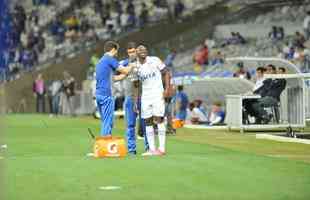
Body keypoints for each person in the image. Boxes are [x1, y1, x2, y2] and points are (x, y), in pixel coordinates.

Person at [136, 45, 171, 156]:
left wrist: (167, 89)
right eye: (140, 50)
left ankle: (161, 149)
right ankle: (151, 149)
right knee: (147, 121)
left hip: (157, 94)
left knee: (158, 119)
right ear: (137, 53)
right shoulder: (135, 66)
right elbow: (136, 84)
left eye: (145, 50)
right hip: (145, 97)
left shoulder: (154, 60)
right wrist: (136, 100)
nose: (143, 51)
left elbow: (166, 72)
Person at [95, 41, 133, 136]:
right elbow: (125, 70)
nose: (117, 53)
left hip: (99, 94)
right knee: (108, 122)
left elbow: (114, 78)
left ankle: (103, 145)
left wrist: (125, 73)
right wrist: (132, 64)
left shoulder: (100, 61)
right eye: (117, 51)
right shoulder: (109, 59)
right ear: (113, 49)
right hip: (107, 94)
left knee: (105, 122)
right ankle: (106, 145)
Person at [119, 42, 147, 155]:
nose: (131, 54)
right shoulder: (124, 63)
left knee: (146, 124)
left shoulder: (144, 63)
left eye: (133, 51)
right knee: (130, 125)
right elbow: (113, 67)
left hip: (143, 97)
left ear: (137, 51)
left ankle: (149, 148)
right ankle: (131, 149)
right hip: (129, 99)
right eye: (129, 52)